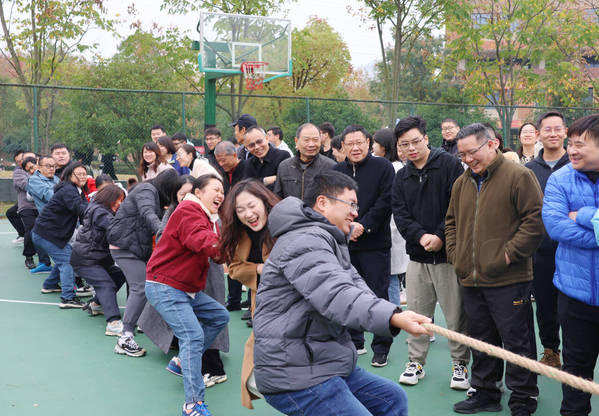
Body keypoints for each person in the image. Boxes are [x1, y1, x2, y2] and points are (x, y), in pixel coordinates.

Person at [253, 170, 431, 416]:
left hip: (322, 360)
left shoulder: (328, 240)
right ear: (323, 203)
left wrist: (393, 313)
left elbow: (355, 287)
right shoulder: (304, 240)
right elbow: (336, 295)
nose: (356, 213)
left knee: (391, 399)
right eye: (351, 204)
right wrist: (392, 317)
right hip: (294, 371)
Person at [446, 123, 544, 415]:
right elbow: (451, 223)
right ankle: (485, 392)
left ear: (492, 144)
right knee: (481, 340)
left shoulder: (518, 176)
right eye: (462, 154)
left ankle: (524, 396)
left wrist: (507, 255)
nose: (467, 159)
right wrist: (456, 256)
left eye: (471, 152)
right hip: (471, 279)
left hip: (509, 278)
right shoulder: (461, 183)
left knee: (517, 341)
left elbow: (535, 221)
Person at [391, 116, 469, 389]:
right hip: (417, 257)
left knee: (456, 316)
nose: (411, 148)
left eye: (415, 141)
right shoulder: (401, 176)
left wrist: (439, 236)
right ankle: (416, 362)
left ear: (426, 138)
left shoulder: (449, 165)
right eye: (404, 144)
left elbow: (456, 206)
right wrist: (420, 236)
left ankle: (460, 365)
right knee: (417, 314)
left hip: (448, 257)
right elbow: (400, 213)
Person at [145, 174, 229, 416]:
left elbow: (213, 249)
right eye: (216, 189)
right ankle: (193, 404)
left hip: (184, 288)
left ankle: (183, 360)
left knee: (220, 316)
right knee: (192, 336)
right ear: (198, 192)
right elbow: (200, 240)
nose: (221, 194)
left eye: (223, 191)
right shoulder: (189, 210)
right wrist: (225, 248)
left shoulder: (208, 217)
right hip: (166, 286)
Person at [542, 114, 599, 416]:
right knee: (576, 371)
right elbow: (556, 227)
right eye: (571, 144)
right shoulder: (560, 179)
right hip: (574, 296)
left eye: (580, 145)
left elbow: (571, 224)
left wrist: (584, 215)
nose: (571, 151)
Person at [333, 124, 396, 367]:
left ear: (368, 143)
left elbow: (386, 201)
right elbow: (332, 203)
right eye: (350, 143)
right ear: (343, 146)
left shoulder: (383, 167)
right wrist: (347, 227)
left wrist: (364, 225)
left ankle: (381, 346)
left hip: (375, 244)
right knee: (347, 293)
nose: (355, 147)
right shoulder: (337, 171)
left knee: (378, 294)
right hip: (345, 244)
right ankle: (354, 341)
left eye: (359, 142)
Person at [218, 179, 280, 409]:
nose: (248, 214)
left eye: (252, 205)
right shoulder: (237, 233)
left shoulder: (285, 223)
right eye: (240, 210)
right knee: (261, 345)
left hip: (292, 298)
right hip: (261, 298)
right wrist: (259, 268)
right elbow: (234, 268)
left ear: (265, 202)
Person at [107, 169, 180, 357]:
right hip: (124, 246)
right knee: (140, 287)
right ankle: (125, 337)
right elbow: (148, 213)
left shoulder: (156, 195)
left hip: (135, 246)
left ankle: (152, 328)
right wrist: (164, 234)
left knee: (154, 285)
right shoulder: (147, 190)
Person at [525, 111, 570, 370]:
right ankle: (551, 351)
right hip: (540, 252)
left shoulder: (578, 165)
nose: (553, 134)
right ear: (538, 134)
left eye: (558, 128)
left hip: (573, 250)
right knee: (544, 304)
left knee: (574, 308)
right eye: (547, 129)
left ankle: (575, 357)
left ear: (565, 132)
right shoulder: (528, 171)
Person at [70, 184, 127, 335]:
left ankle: (96, 304)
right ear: (110, 198)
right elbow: (116, 229)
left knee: (120, 274)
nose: (120, 203)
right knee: (105, 284)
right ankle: (113, 323)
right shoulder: (100, 212)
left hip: (97, 259)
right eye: (119, 200)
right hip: (86, 259)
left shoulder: (99, 209)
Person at [32, 162, 90, 308]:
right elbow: (81, 209)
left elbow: (85, 212)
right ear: (70, 175)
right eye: (79, 174)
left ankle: (50, 285)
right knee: (67, 260)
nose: (83, 177)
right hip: (46, 233)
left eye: (85, 174)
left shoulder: (77, 190)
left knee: (64, 257)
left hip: (51, 233)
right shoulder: (68, 190)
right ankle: (68, 298)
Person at [274, 123, 336, 199]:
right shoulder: (285, 166)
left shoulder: (330, 166)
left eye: (315, 140)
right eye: (306, 140)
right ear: (296, 141)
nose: (311, 144)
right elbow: (277, 198)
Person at [27, 155, 60, 274]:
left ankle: (52, 270)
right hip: (50, 219)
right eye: (48, 166)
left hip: (63, 218)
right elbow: (49, 195)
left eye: (54, 166)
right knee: (35, 234)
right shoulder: (34, 180)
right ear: (39, 167)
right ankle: (45, 263)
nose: (51, 169)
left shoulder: (56, 179)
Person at [243, 126, 290, 191]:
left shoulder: (283, 156)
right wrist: (265, 180)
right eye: (251, 145)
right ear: (247, 148)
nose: (257, 147)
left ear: (267, 139)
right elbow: (246, 187)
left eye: (259, 142)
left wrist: (256, 183)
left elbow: (284, 184)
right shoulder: (248, 164)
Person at [13, 151, 39, 269]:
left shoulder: (43, 169)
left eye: (33, 159)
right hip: (27, 207)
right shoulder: (19, 172)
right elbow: (26, 185)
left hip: (42, 206)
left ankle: (46, 258)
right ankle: (29, 257)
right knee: (31, 228)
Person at [7, 150, 26, 245]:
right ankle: (23, 235)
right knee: (11, 212)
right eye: (18, 161)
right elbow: (25, 186)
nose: (21, 162)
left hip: (38, 200)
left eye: (22, 159)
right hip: (26, 201)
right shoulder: (18, 171)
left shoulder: (38, 166)